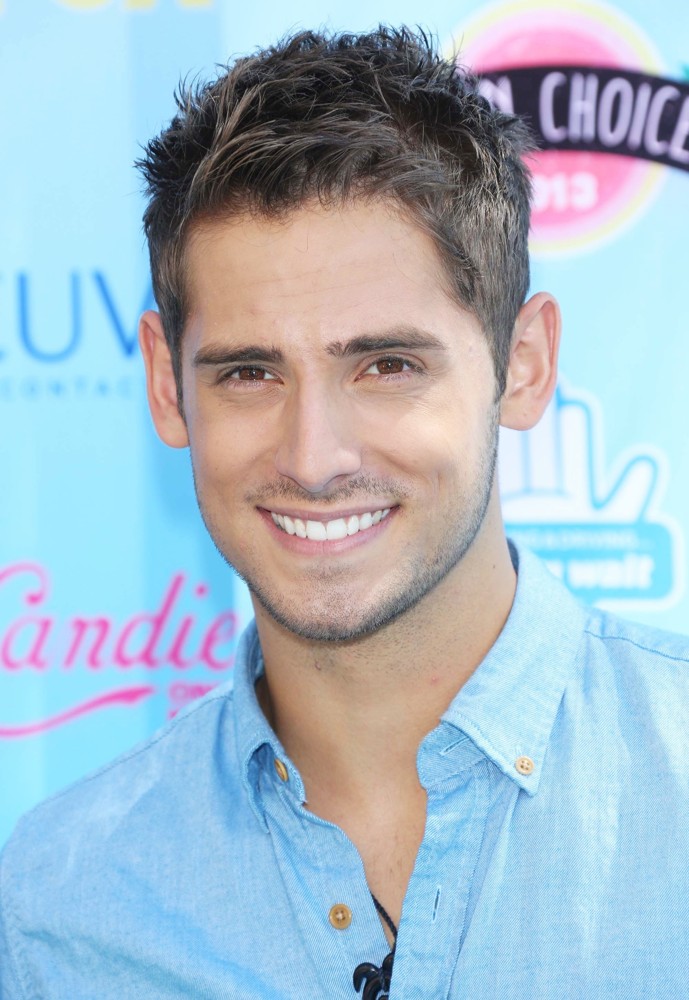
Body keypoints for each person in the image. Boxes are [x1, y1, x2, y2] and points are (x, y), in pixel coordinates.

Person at [1, 26, 688, 1000]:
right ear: (164, 382)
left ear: (522, 363)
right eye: (248, 372)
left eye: (386, 365)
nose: (312, 457)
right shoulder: (61, 901)